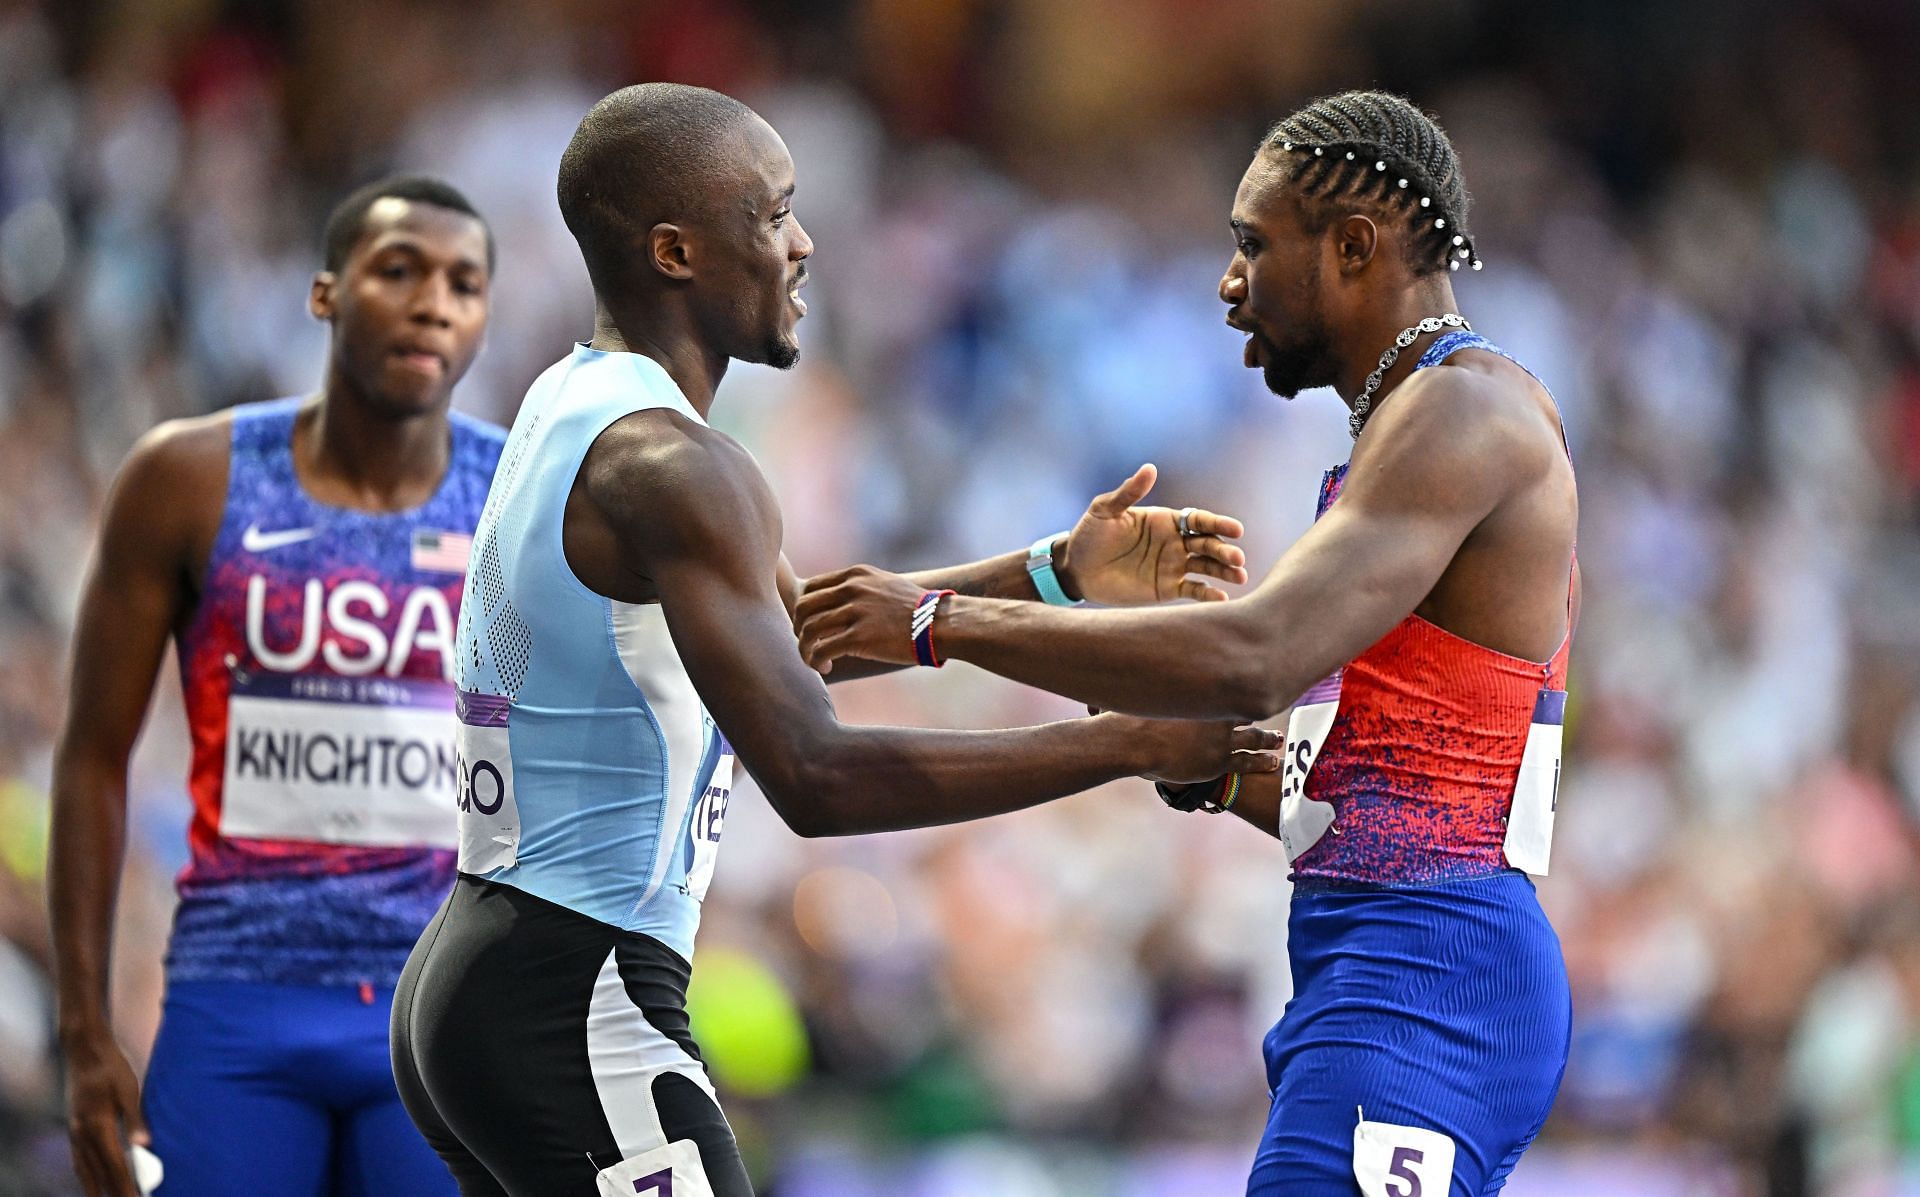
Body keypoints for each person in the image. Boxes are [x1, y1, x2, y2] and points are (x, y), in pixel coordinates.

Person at [388, 82, 1277, 1197]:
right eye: (770, 214)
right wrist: (1131, 746)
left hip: (490, 970)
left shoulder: (582, 402)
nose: (804, 244)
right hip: (579, 990)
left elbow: (796, 642)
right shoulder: (683, 467)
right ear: (675, 251)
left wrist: (1054, 574)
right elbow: (817, 776)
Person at [795, 91, 1578, 1197]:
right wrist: (1214, 774)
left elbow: (1253, 656)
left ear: (1353, 248)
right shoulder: (1419, 426)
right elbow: (1407, 789)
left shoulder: (1460, 418)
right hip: (1404, 973)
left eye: (1253, 247)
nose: (1227, 285)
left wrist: (945, 626)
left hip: (1425, 983)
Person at [49, 175, 504, 1197]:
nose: (434, 300)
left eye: (464, 284)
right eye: (399, 271)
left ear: (483, 319)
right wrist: (80, 1035)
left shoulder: (521, 499)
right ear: (324, 294)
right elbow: (90, 757)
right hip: (235, 999)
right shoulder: (189, 480)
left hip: (435, 1013)